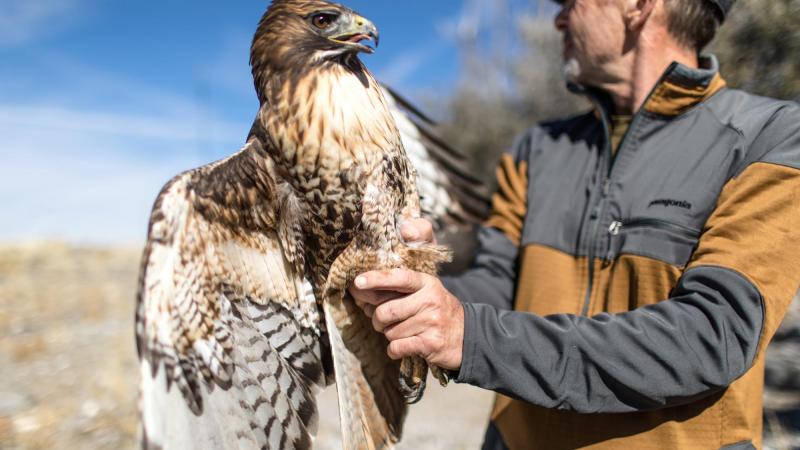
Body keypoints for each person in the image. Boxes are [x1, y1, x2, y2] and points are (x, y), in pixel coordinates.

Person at [349, 0, 800, 448]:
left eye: (570, 3)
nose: (558, 18)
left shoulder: (771, 139)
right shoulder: (538, 148)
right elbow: (500, 287)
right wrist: (418, 292)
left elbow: (710, 338)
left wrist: (468, 335)